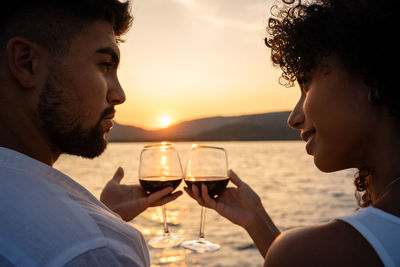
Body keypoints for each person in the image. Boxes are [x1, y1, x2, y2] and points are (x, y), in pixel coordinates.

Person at [186, 0, 399, 266]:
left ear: (372, 73)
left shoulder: (318, 251)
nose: (293, 118)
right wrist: (256, 219)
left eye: (306, 84)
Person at [0, 1, 182, 266]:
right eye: (105, 65)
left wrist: (104, 213)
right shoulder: (91, 251)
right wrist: (96, 227)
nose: (119, 95)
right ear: (26, 63)